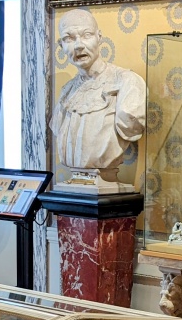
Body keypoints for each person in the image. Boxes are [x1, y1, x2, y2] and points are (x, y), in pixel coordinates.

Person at [52, 10, 147, 189]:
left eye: (86, 35)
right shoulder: (67, 92)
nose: (78, 46)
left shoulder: (126, 82)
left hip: (107, 188)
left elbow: (130, 128)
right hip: (74, 187)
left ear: (99, 37)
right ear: (61, 45)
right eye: (69, 38)